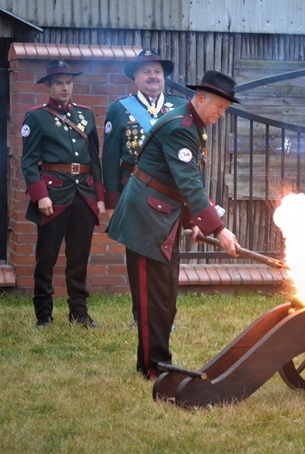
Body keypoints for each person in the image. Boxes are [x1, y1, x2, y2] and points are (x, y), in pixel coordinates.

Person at [107, 70, 241, 379]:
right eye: (220, 106)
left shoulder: (192, 124)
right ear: (201, 98)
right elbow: (189, 183)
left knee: (165, 299)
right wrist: (218, 229)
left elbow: (175, 181)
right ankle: (153, 368)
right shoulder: (182, 128)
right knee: (151, 301)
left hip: (161, 217)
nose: (222, 114)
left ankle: (160, 361)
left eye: (226, 109)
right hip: (145, 222)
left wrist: (195, 220)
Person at [103, 49, 186, 327]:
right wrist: (113, 201)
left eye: (158, 72)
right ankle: (141, 317)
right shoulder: (120, 108)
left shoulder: (180, 106)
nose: (153, 76)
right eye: (146, 71)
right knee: (138, 255)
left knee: (169, 255)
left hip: (171, 194)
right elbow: (110, 156)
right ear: (135, 77)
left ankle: (167, 316)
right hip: (135, 190)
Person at [20, 60, 106, 328]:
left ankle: (79, 313)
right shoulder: (37, 117)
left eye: (69, 82)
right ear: (48, 86)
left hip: (83, 195)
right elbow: (28, 161)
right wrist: (39, 195)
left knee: (79, 257)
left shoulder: (86, 116)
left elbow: (95, 158)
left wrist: (100, 197)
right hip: (53, 196)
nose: (65, 87)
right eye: (59, 82)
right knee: (46, 257)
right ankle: (43, 315)